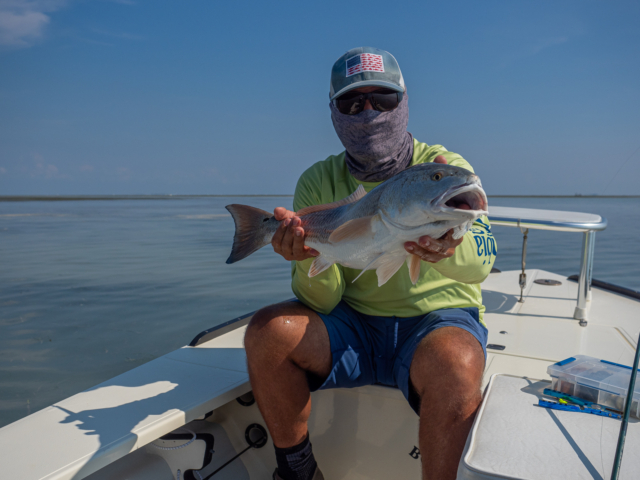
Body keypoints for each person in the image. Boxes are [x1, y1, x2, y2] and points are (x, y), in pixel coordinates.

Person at [244, 47, 497, 480]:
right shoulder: (317, 181)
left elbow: (482, 266)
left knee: (457, 361)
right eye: (352, 103)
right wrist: (306, 259)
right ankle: (299, 470)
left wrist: (452, 247)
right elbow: (322, 301)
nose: (369, 113)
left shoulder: (445, 168)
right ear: (333, 113)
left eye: (383, 99)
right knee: (269, 333)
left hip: (435, 323)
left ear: (405, 103)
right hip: (353, 325)